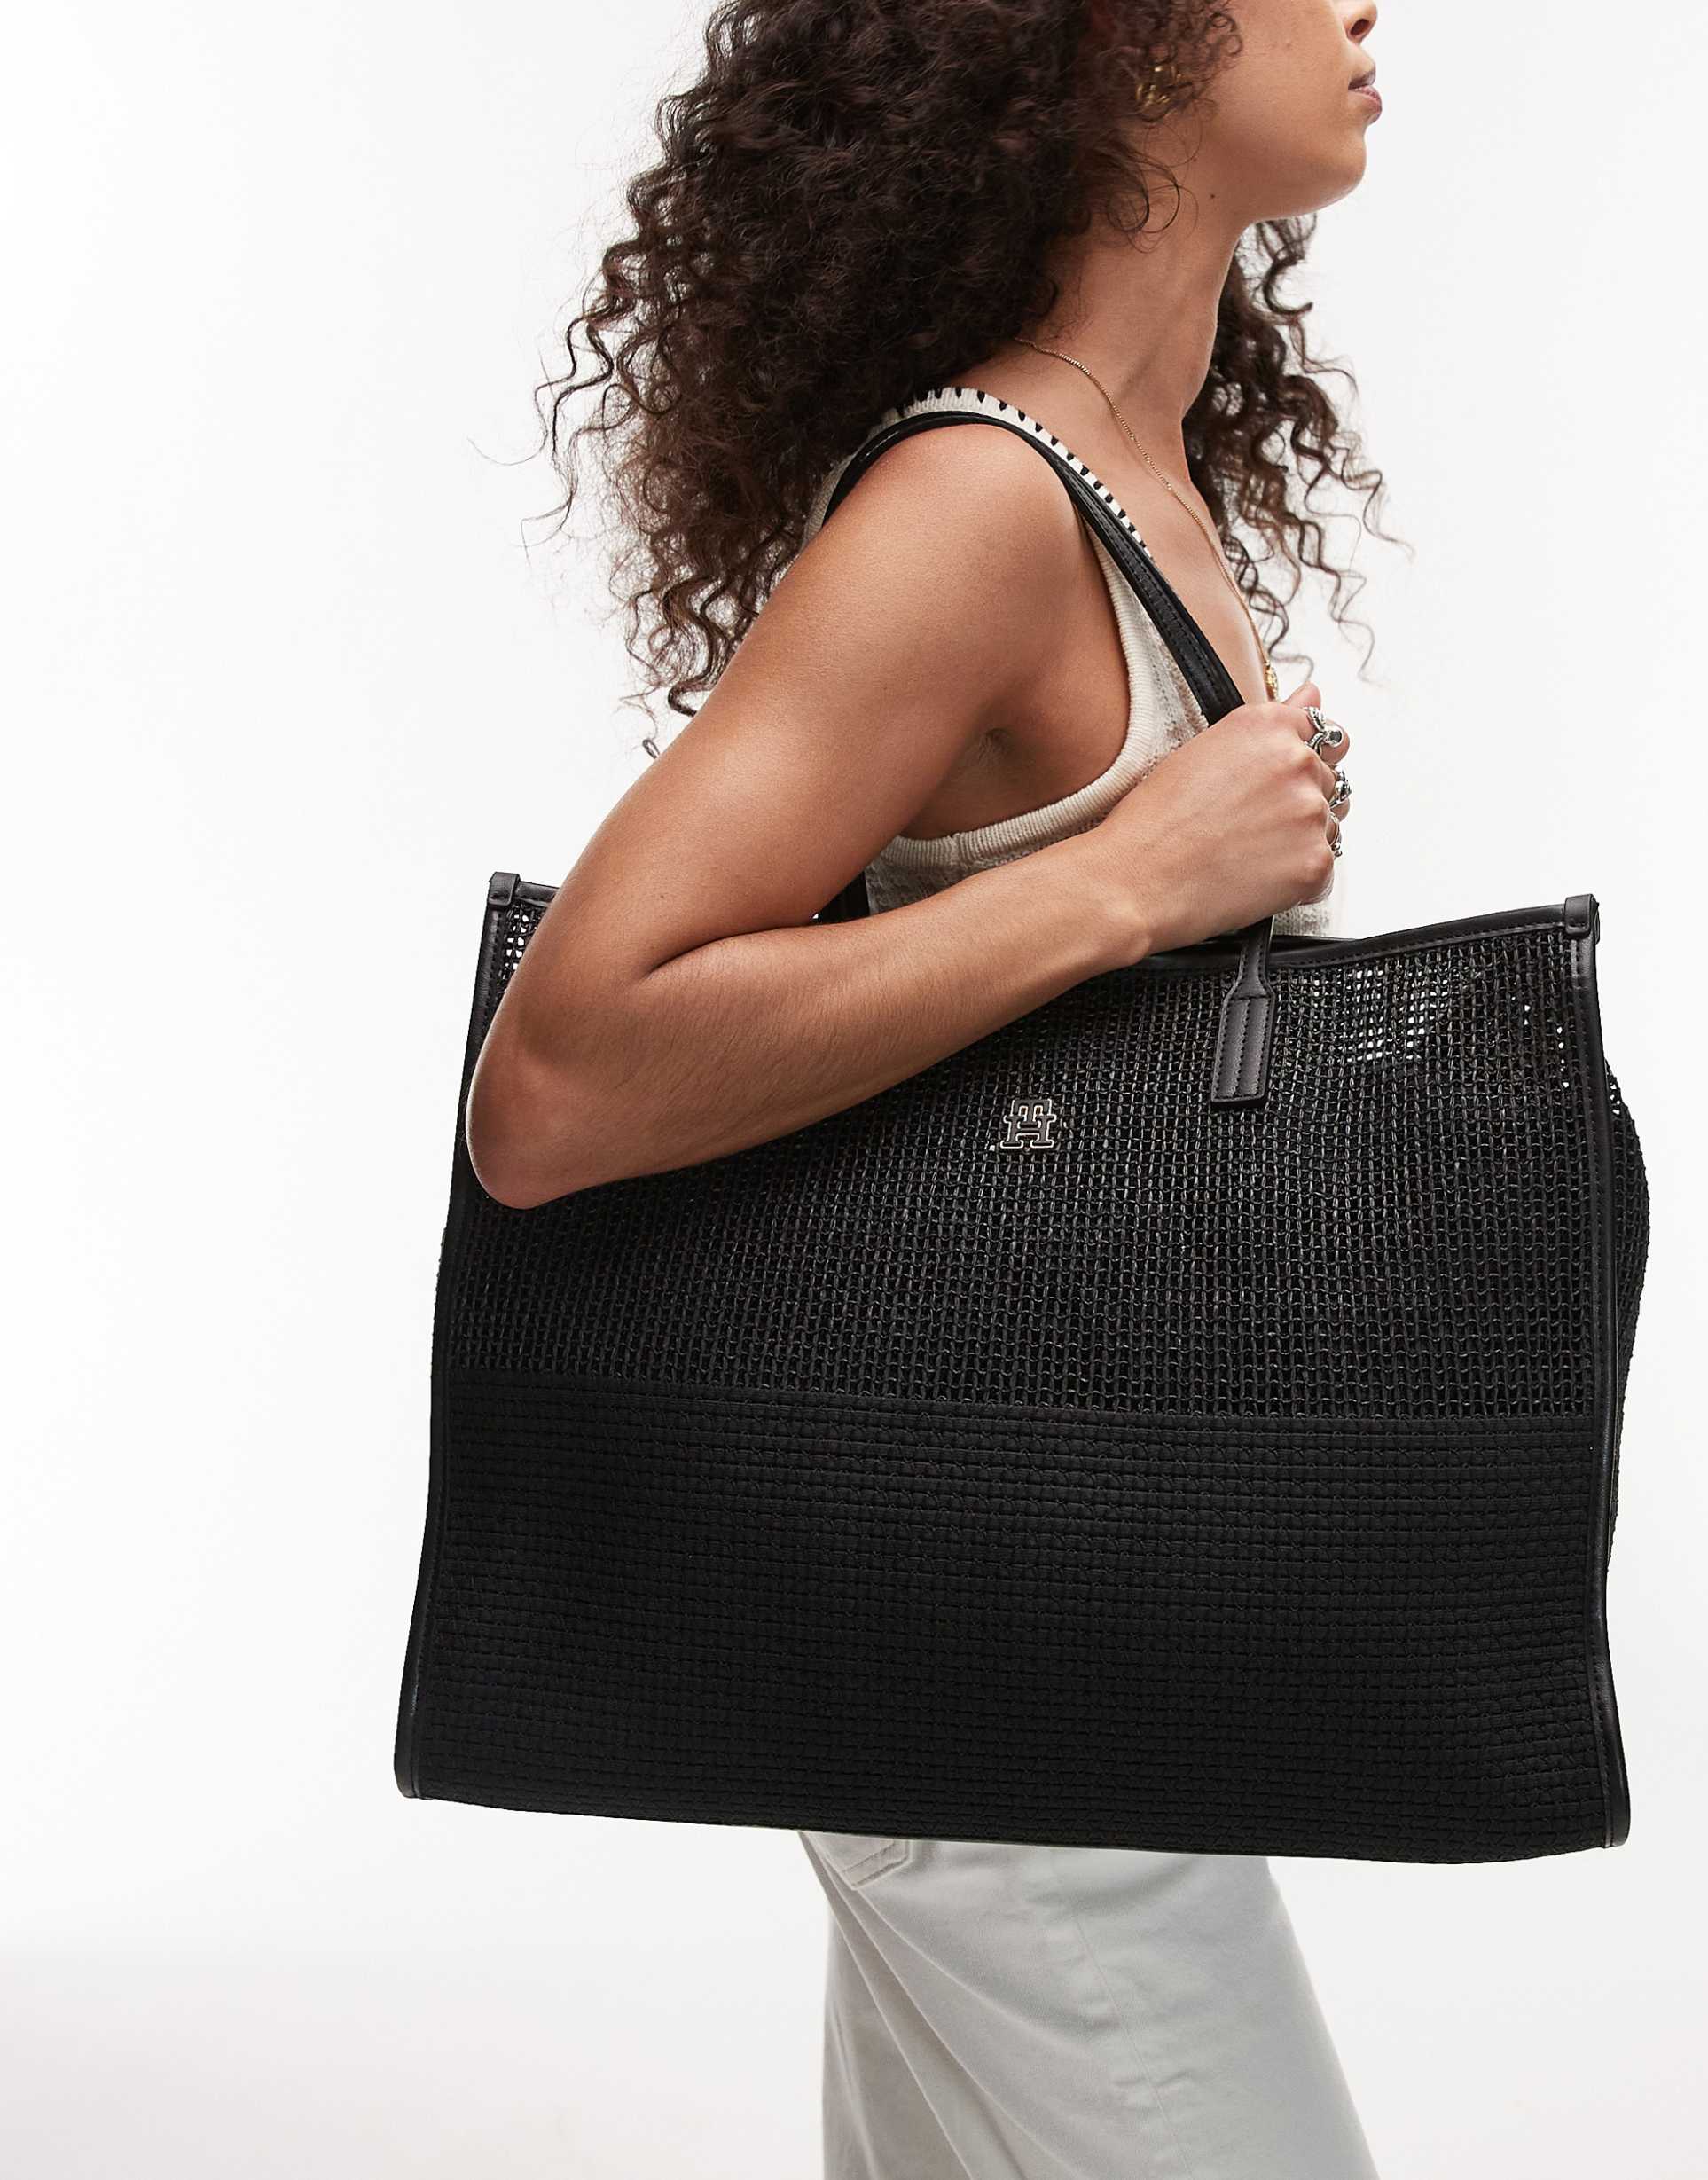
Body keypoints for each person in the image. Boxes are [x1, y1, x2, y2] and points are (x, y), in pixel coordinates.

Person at [470, 2, 1394, 2171]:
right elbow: (560, 1075)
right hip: (1003, 1650)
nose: (1367, 6)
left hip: (1074, 1623)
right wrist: (1126, 884)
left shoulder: (1133, 473)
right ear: (1123, 34)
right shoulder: (982, 501)